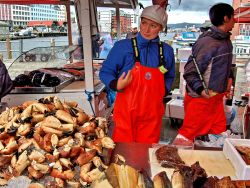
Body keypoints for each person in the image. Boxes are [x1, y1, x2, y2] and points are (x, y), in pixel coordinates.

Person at [99, 5, 175, 143]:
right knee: (123, 155)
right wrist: (116, 84)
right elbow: (105, 72)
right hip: (125, 115)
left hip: (152, 116)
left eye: (153, 25)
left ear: (161, 28)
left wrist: (164, 89)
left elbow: (169, 75)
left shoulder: (167, 51)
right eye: (144, 23)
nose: (146, 29)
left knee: (146, 156)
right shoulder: (123, 47)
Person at [173, 3, 235, 145]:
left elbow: (224, 64)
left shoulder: (226, 40)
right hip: (200, 100)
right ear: (226, 18)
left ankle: (208, 165)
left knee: (217, 136)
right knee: (187, 136)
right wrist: (201, 90)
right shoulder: (207, 43)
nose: (235, 21)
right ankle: (168, 161)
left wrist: (229, 78)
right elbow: (189, 72)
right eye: (233, 17)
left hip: (216, 100)